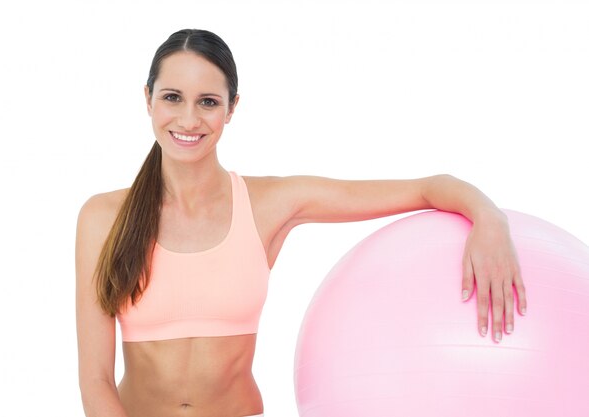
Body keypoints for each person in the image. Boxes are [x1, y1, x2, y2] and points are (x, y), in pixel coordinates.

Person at [75, 28, 527, 417]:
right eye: (172, 97)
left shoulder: (270, 203)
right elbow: (95, 380)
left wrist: (489, 219)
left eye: (208, 102)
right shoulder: (104, 217)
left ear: (231, 108)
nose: (188, 119)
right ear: (148, 99)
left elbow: (427, 187)